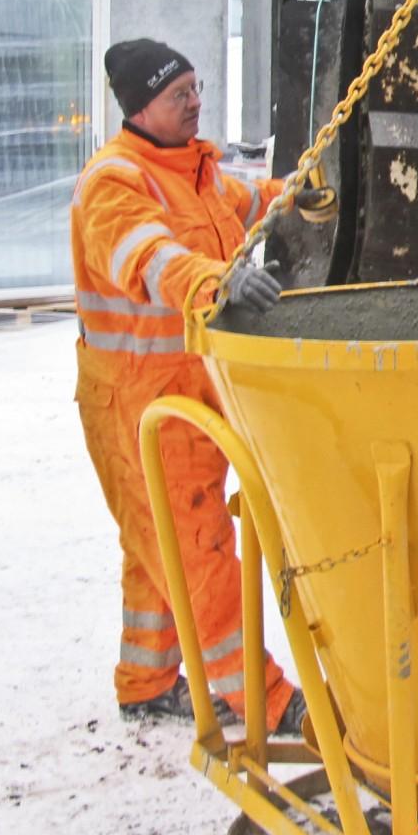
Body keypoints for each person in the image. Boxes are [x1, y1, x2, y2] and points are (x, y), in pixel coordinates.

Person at [71, 37, 304, 730]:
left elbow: (252, 199)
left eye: (198, 88)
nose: (196, 102)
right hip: (139, 403)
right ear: (142, 105)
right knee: (196, 548)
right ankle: (262, 699)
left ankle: (145, 679)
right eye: (180, 95)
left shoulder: (194, 171)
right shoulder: (114, 182)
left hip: (181, 392)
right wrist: (213, 280)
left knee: (157, 544)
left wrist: (305, 191)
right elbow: (148, 256)